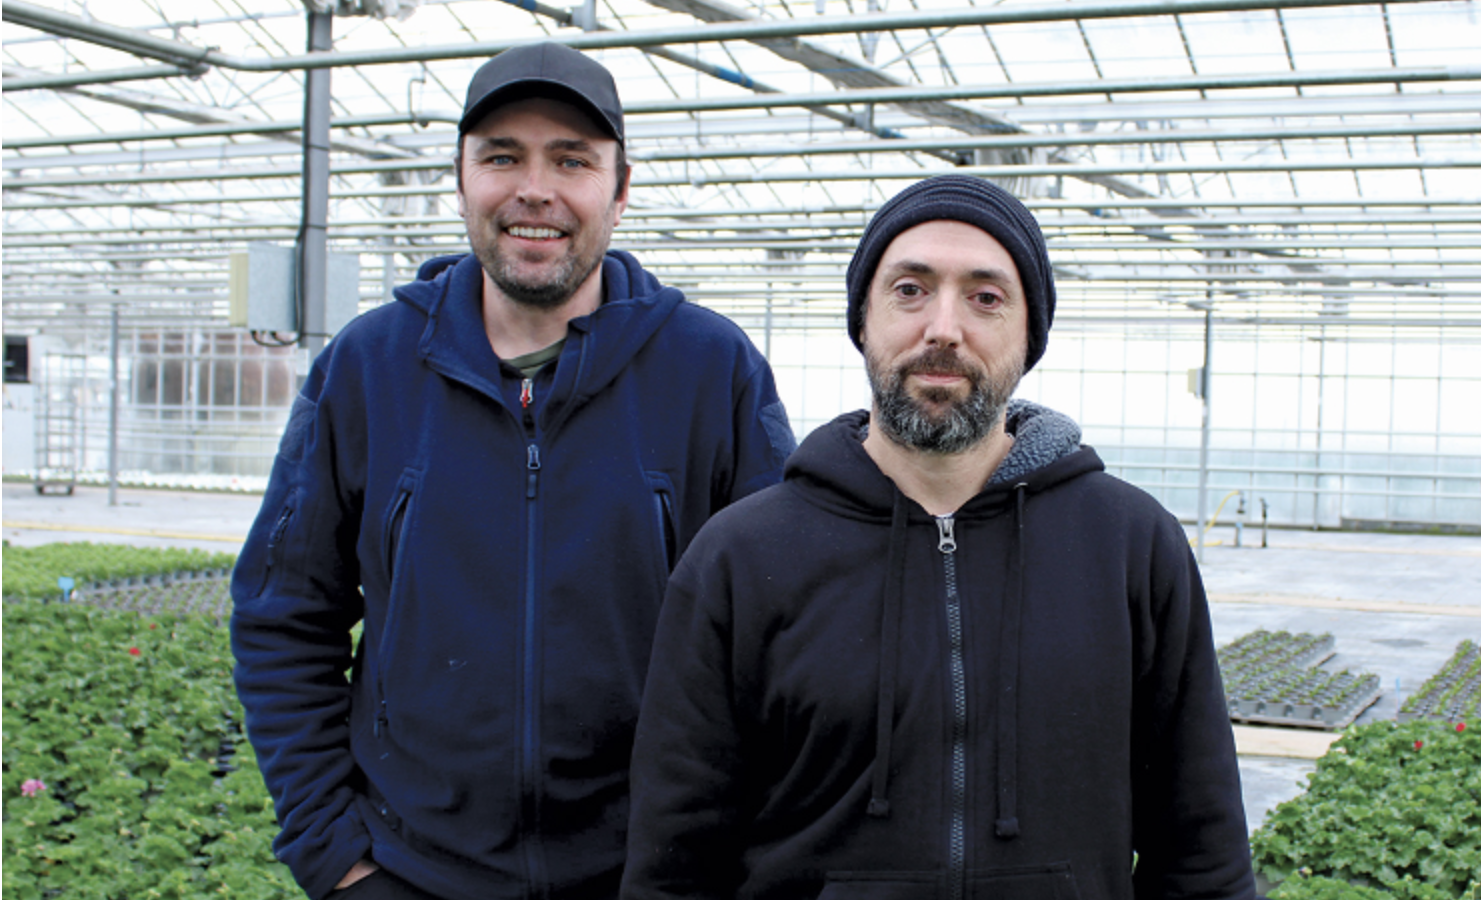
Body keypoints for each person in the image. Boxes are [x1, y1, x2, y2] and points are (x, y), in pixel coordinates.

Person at [230, 42, 796, 900]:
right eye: (502, 157)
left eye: (572, 160)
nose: (535, 189)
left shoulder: (710, 370)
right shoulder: (368, 370)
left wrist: (720, 856)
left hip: (645, 876)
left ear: (620, 188)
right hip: (411, 871)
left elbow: (783, 635)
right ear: (461, 180)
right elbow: (282, 618)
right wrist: (337, 861)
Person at [622, 174, 1256, 900]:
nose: (943, 328)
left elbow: (1203, 855)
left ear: (1030, 335)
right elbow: (675, 866)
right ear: (863, 319)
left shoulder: (1132, 548)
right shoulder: (740, 559)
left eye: (986, 297)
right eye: (910, 290)